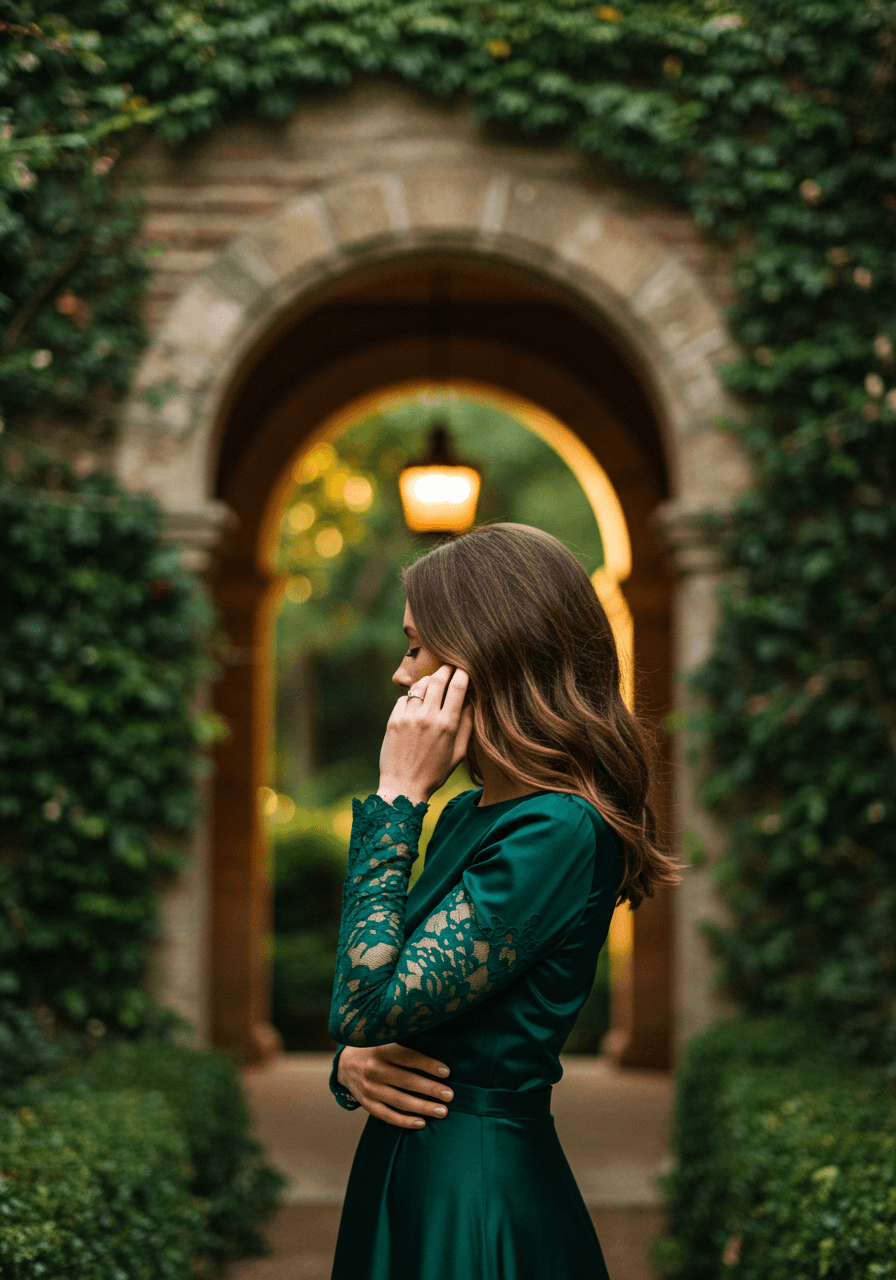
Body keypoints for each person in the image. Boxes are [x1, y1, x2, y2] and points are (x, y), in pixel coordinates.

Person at [326, 523, 679, 1280]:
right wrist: (350, 1064)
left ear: (483, 656)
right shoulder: (468, 813)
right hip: (409, 1165)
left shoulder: (558, 829)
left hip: (473, 1191)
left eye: (416, 647)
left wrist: (395, 797)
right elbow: (387, 1001)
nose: (399, 673)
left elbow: (364, 1003)